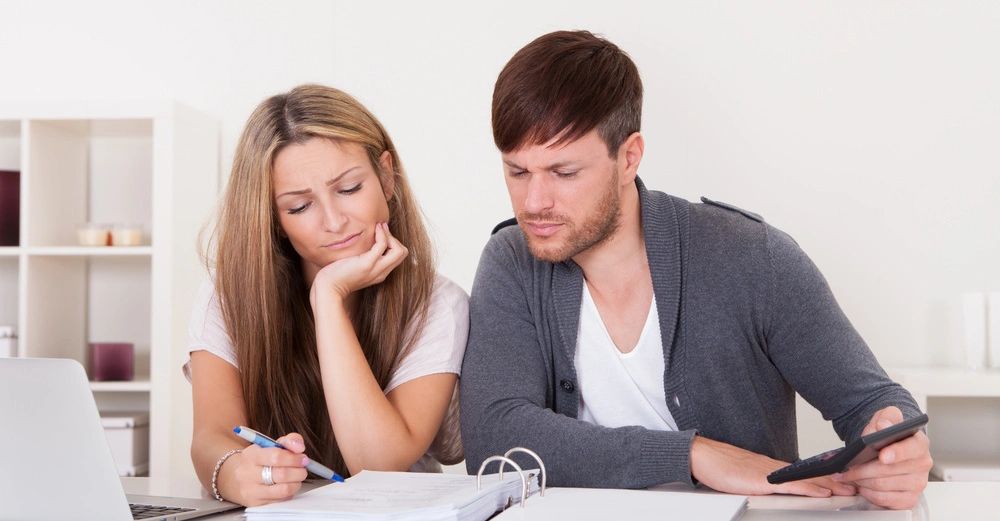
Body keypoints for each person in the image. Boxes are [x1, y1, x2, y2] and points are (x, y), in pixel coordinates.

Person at [459, 30, 932, 510]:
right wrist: (691, 455)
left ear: (628, 157)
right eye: (517, 172)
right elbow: (494, 438)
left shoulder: (751, 256)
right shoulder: (512, 262)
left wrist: (897, 456)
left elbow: (872, 404)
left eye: (564, 173)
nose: (534, 202)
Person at [184, 84, 469, 507]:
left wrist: (329, 297)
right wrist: (235, 474)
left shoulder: (437, 304)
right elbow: (212, 437)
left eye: (349, 188)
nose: (334, 222)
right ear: (273, 220)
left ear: (386, 177)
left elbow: (378, 466)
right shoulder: (226, 293)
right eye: (299, 207)